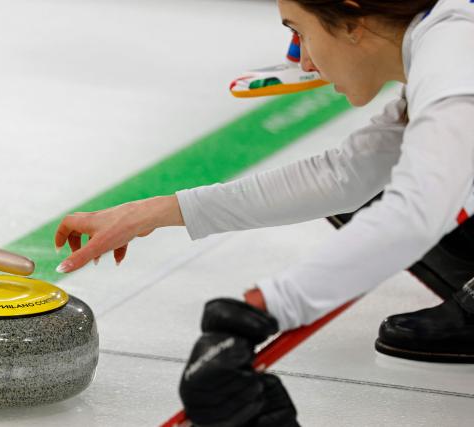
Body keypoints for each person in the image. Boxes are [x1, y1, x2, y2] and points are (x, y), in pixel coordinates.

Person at [54, 0, 474, 424]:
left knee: (420, 194)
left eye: (298, 32)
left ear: (351, 20)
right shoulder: (443, 43)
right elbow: (345, 175)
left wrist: (259, 311)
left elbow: (419, 210)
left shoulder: (455, 52)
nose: (305, 62)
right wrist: (153, 212)